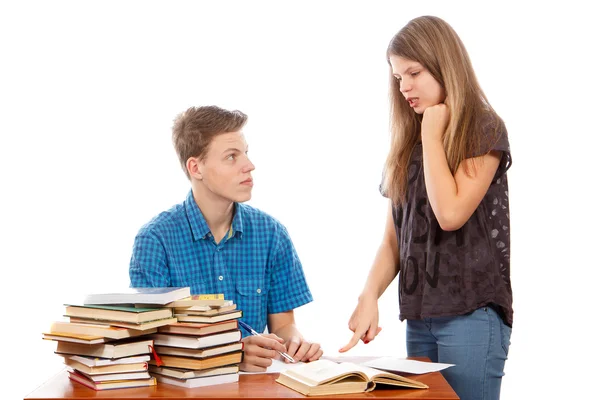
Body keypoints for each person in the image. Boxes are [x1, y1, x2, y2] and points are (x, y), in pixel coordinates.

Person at [339, 16, 512, 400]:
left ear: (443, 65)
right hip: (419, 318)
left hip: (472, 315)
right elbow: (393, 240)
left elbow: (450, 214)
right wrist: (369, 296)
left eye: (413, 73)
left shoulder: (483, 129)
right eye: (398, 77)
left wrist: (432, 135)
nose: (404, 87)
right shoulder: (407, 143)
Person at [129, 105, 323, 371]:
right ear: (196, 167)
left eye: (245, 153)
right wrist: (232, 354)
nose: (249, 166)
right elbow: (151, 343)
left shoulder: (271, 233)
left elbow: (284, 325)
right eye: (232, 157)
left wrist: (295, 342)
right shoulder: (155, 240)